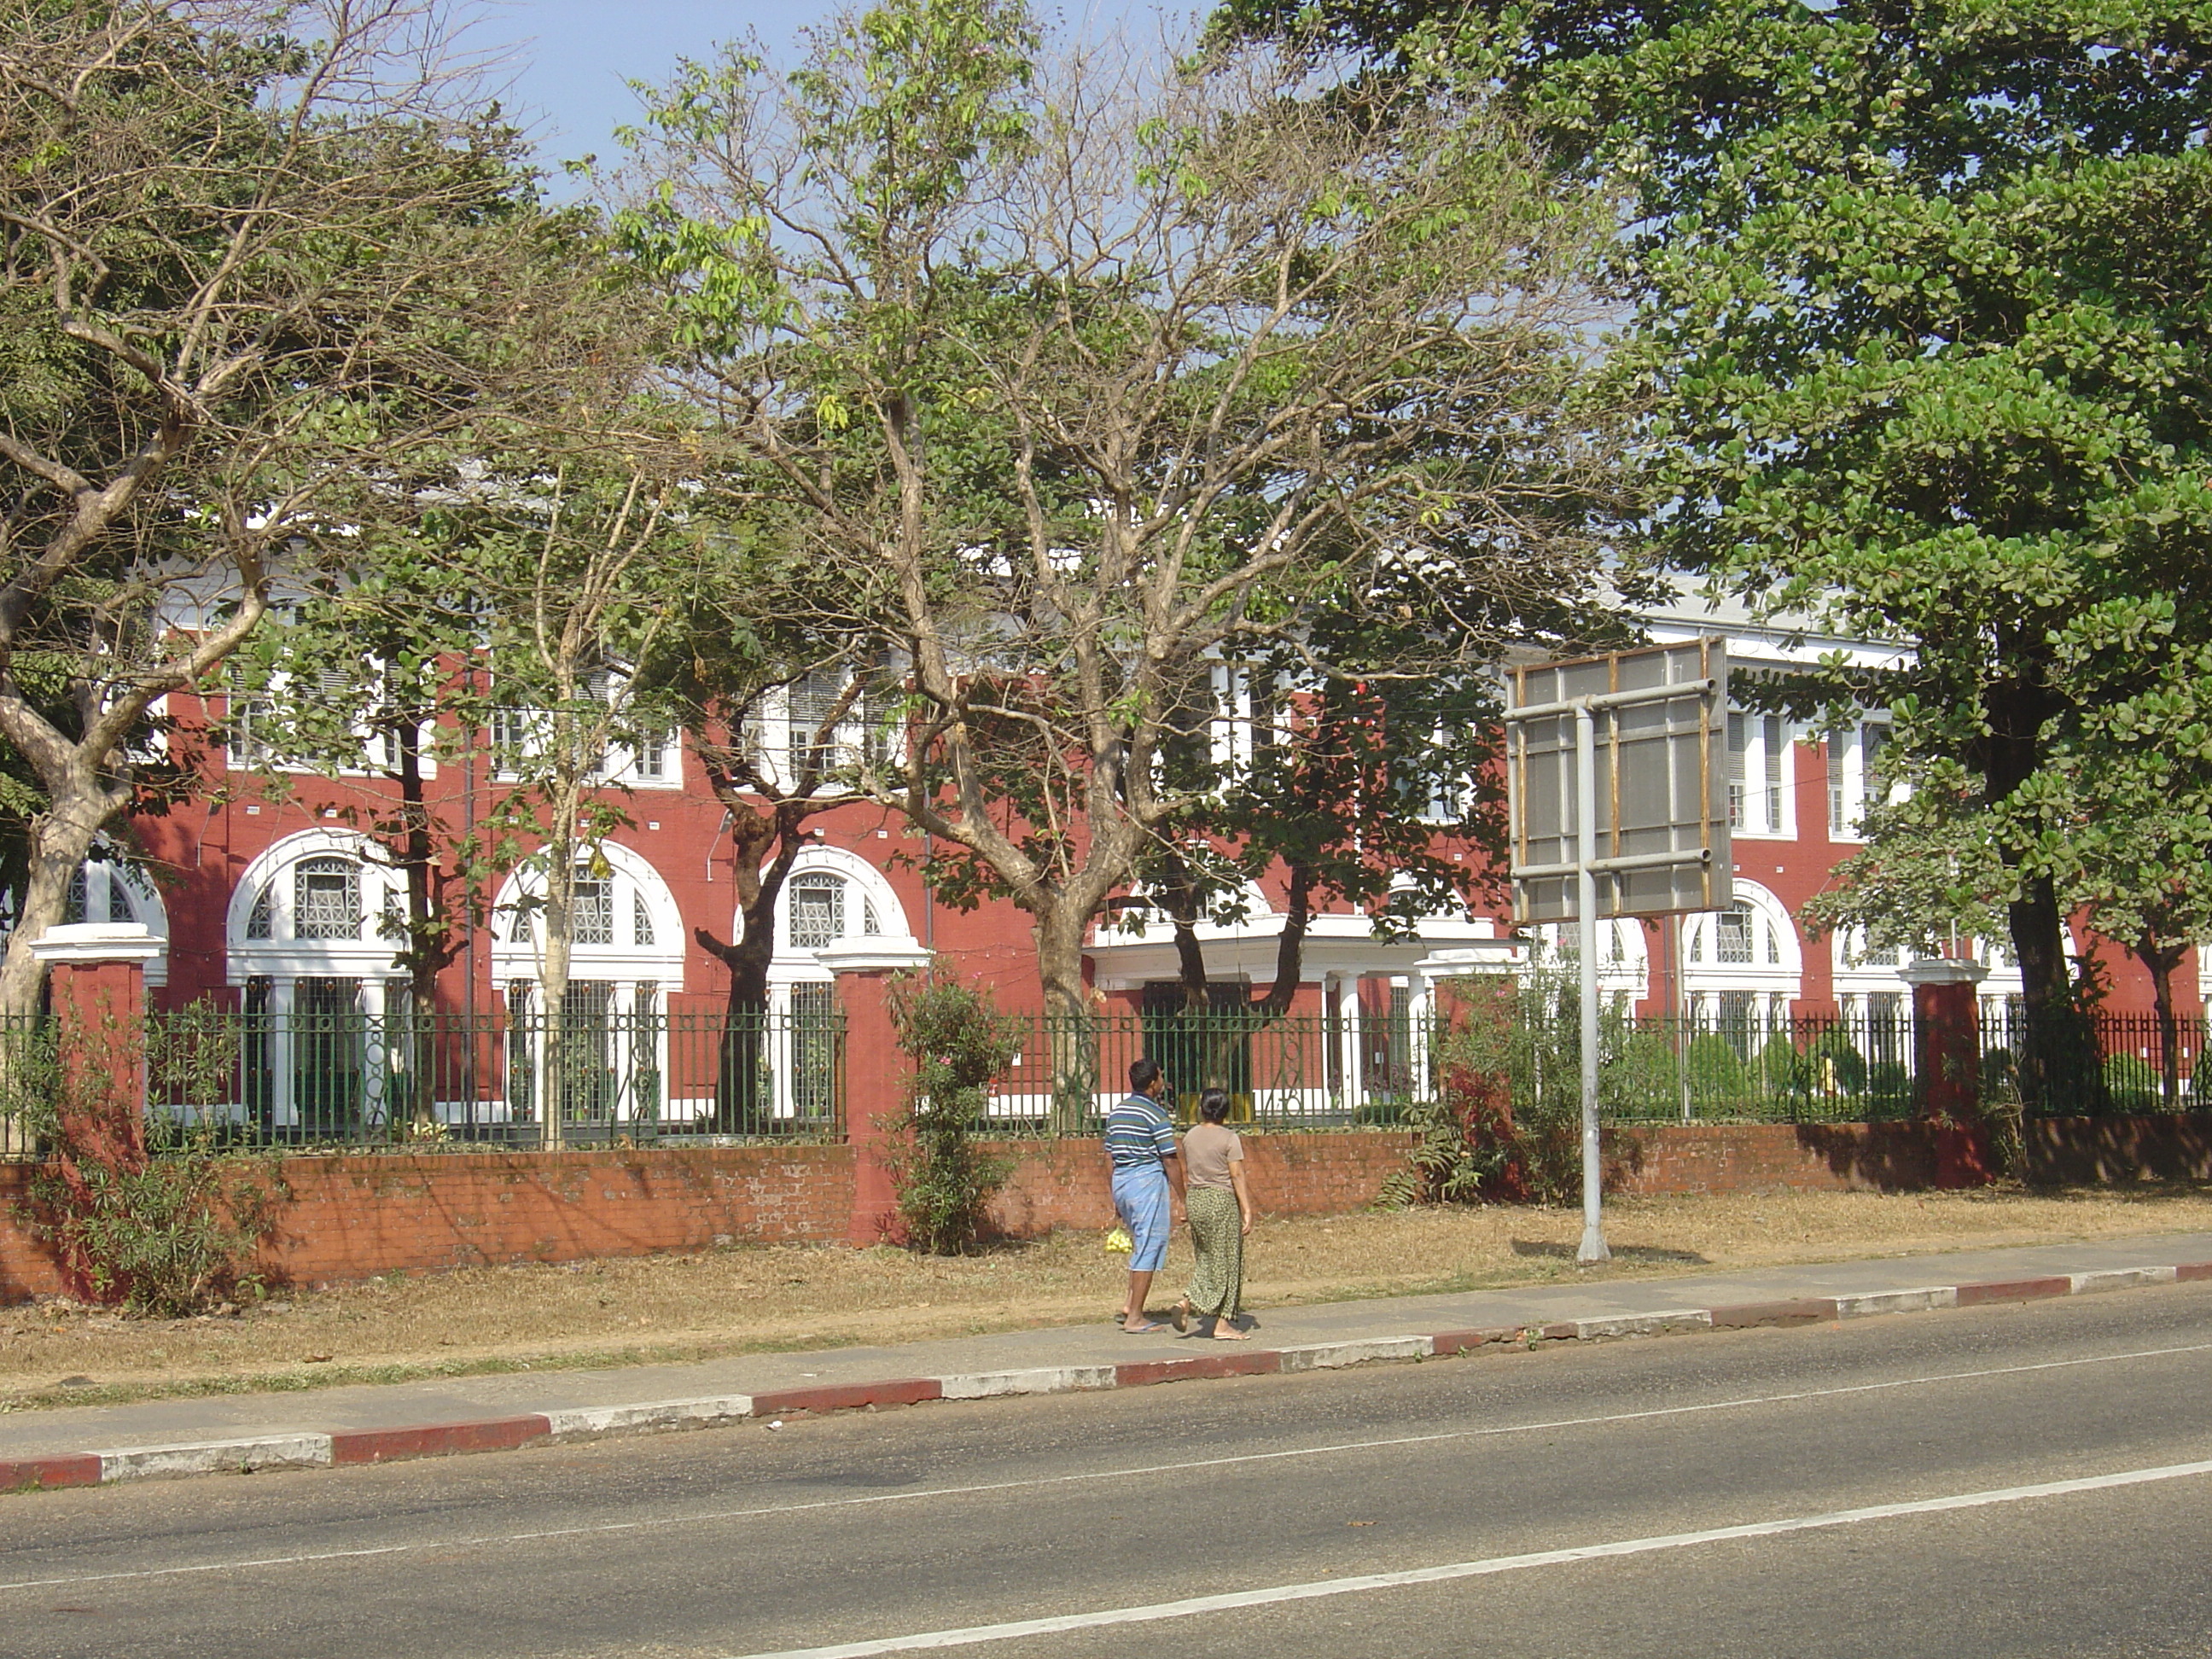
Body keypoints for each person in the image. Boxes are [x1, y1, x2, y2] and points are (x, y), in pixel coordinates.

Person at [1104, 1055, 1183, 1332]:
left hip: (1123, 1181)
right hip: (1147, 1181)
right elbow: (1170, 1159)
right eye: (1160, 1077)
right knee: (1149, 1245)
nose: (1162, 1082)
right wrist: (1183, 1197)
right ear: (1152, 1084)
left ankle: (1130, 1303)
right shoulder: (1155, 1114)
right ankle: (1135, 1317)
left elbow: (1110, 1155)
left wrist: (1115, 1192)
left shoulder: (1118, 1112)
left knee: (1141, 1242)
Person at [1172, 1088, 1253, 1339]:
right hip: (1220, 1201)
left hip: (1196, 1199)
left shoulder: (1189, 1136)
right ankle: (1216, 1319)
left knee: (1207, 1257)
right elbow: (1236, 1174)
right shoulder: (1229, 1138)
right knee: (1227, 1262)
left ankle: (1199, 1305)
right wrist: (1247, 1209)